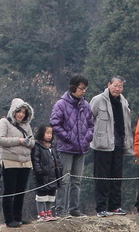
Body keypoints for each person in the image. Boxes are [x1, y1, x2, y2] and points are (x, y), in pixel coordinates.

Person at [50, 74, 94, 218]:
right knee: (65, 180)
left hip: (81, 148)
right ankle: (61, 210)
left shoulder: (86, 105)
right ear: (73, 88)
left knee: (77, 180)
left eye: (85, 89)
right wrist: (68, 137)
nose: (83, 91)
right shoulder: (61, 105)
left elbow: (91, 125)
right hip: (66, 148)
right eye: (81, 88)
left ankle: (74, 209)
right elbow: (55, 124)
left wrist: (87, 138)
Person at [90, 76, 133, 217]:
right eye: (115, 85)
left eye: (120, 87)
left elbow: (127, 124)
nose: (117, 89)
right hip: (102, 145)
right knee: (102, 177)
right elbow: (88, 120)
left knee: (117, 177)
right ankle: (101, 207)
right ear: (109, 84)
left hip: (119, 144)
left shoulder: (123, 101)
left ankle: (115, 206)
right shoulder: (98, 100)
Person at [0, 98, 36, 228]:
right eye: (19, 111)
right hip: (10, 161)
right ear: (13, 111)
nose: (21, 114)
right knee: (9, 191)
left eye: (24, 112)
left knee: (21, 191)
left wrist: (29, 142)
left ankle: (18, 217)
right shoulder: (4, 122)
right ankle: (9, 219)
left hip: (25, 162)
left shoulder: (26, 125)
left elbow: (33, 141)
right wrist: (18, 140)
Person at [31, 125, 62, 222]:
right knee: (41, 195)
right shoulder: (37, 146)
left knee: (51, 195)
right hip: (42, 175)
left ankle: (49, 212)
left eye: (51, 133)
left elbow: (57, 160)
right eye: (47, 133)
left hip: (53, 175)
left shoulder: (53, 147)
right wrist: (39, 172)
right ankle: (41, 214)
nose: (49, 135)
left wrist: (59, 170)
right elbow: (35, 161)